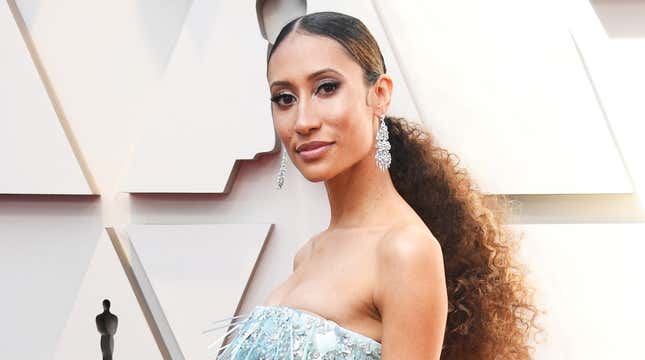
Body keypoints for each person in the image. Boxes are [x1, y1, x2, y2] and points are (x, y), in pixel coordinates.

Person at [206, 11, 541, 360]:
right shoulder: (307, 254)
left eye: (326, 88)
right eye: (285, 98)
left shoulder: (405, 251)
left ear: (379, 94)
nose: (303, 121)